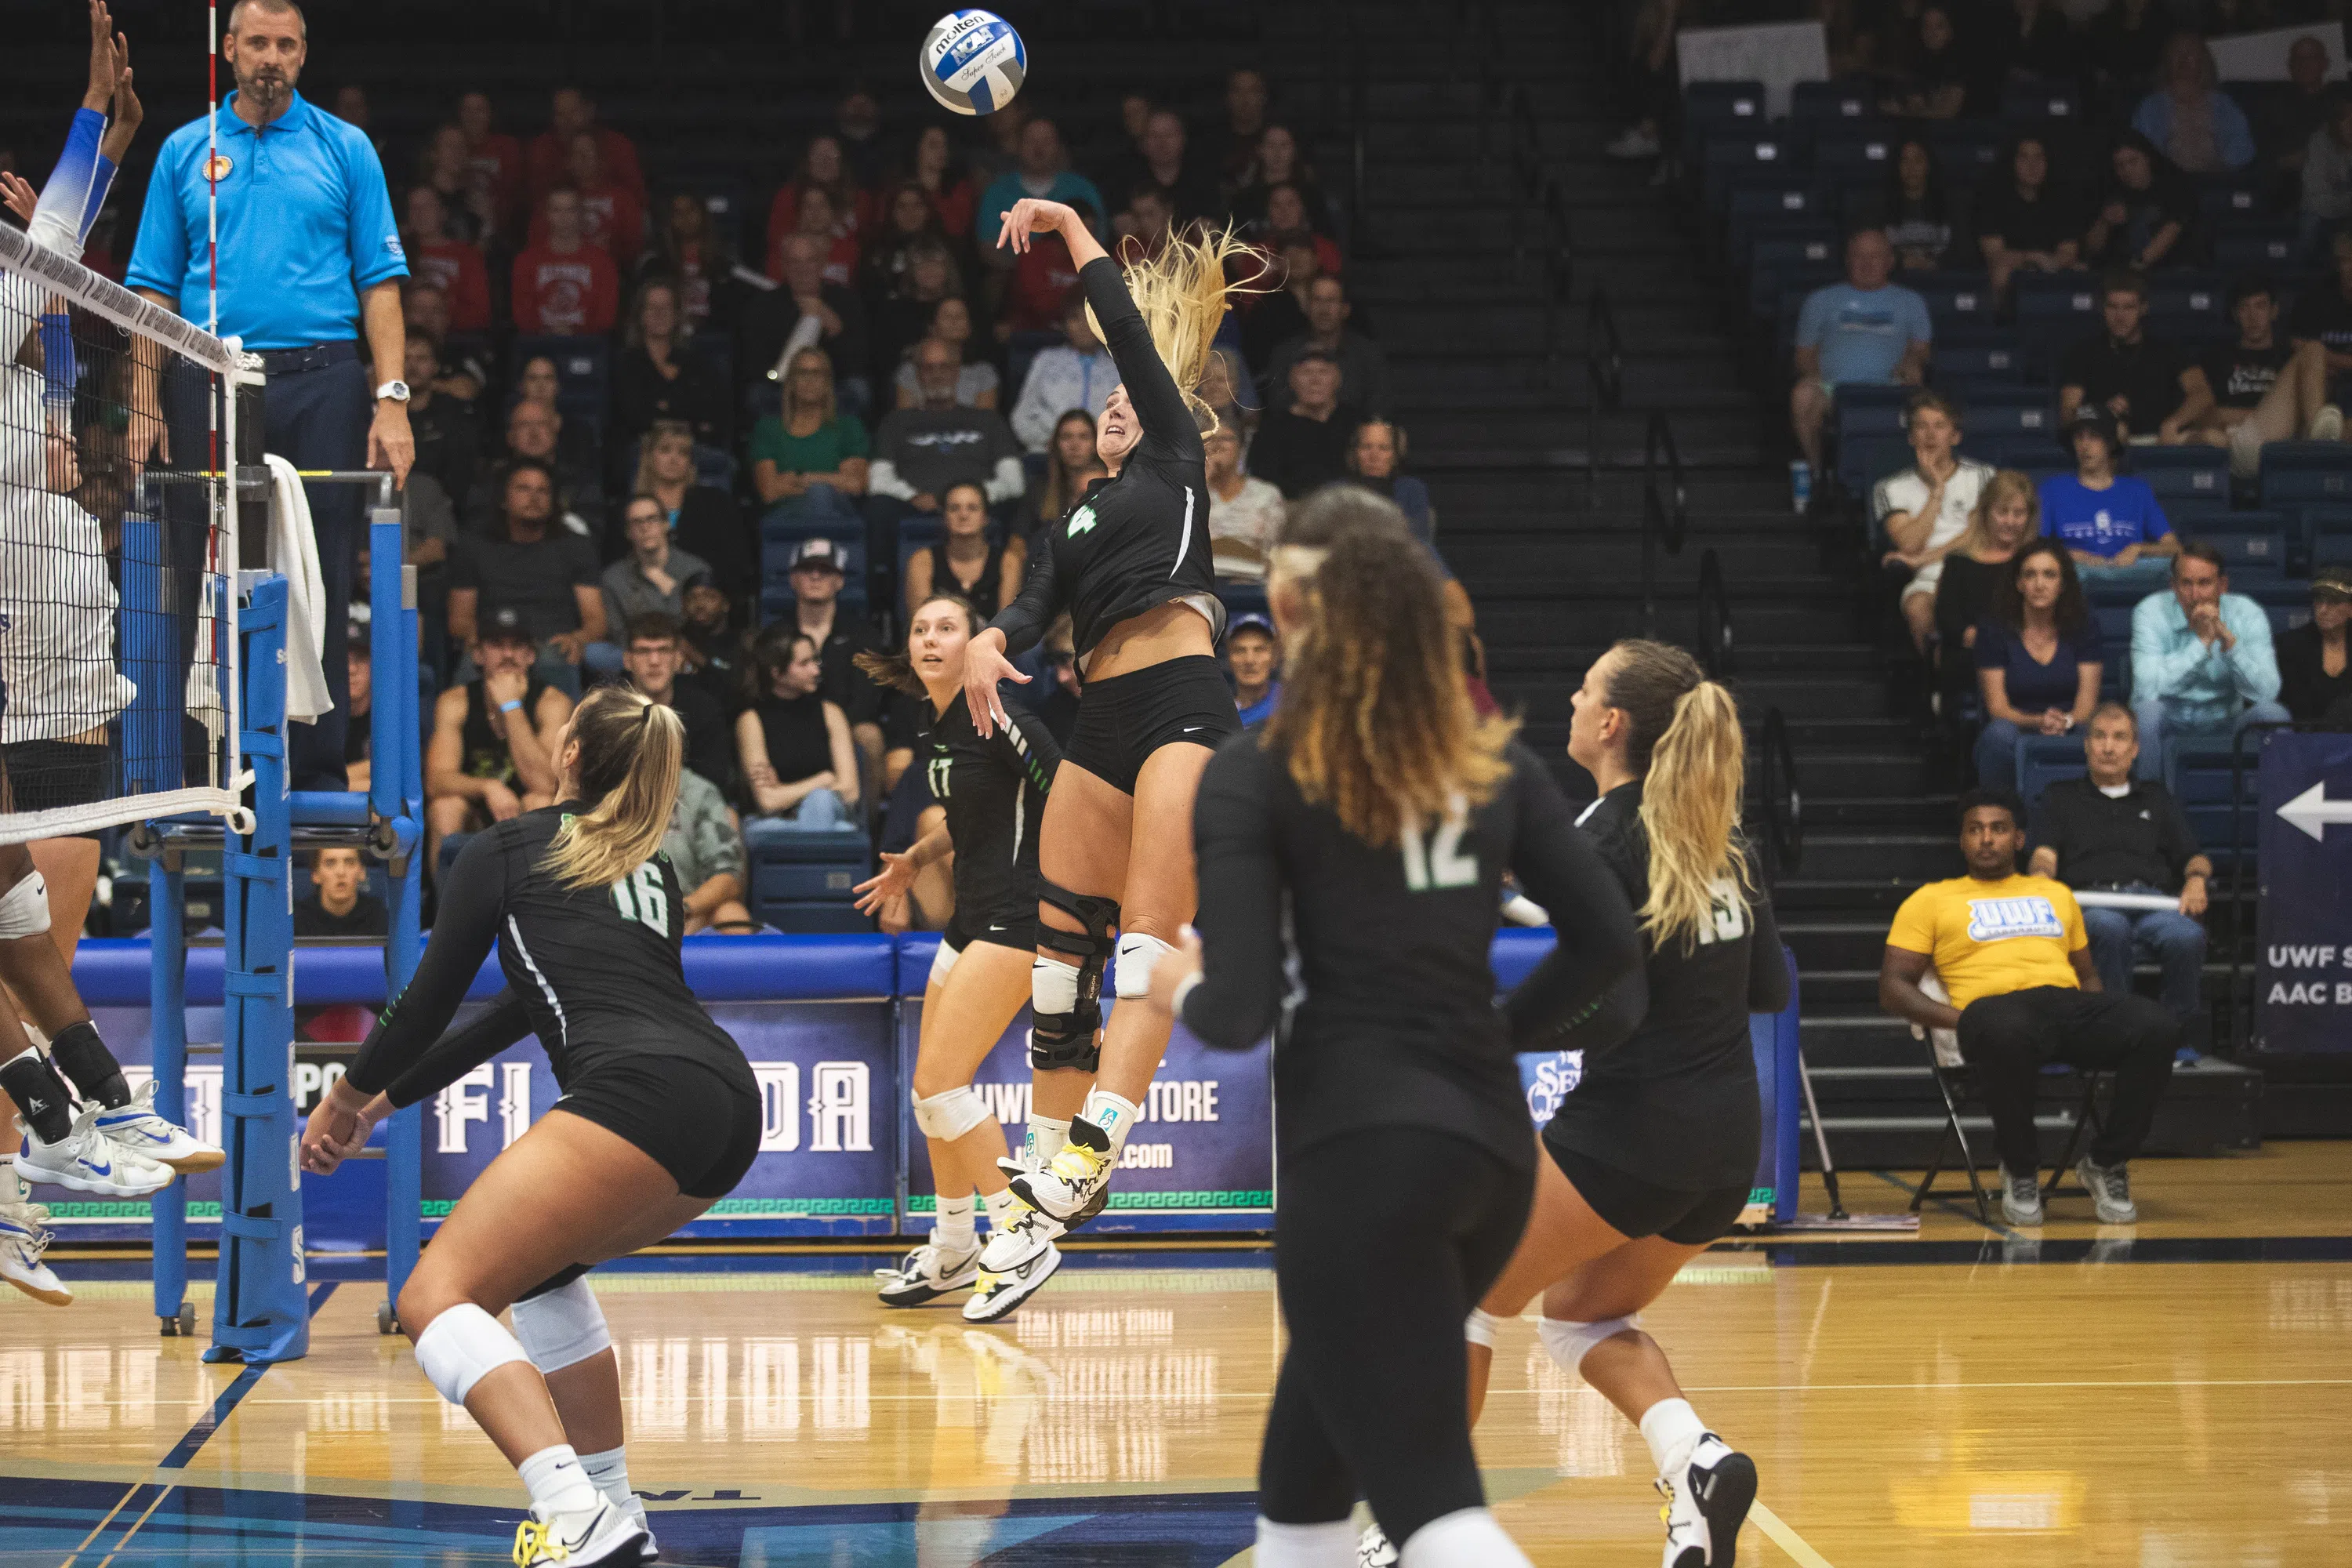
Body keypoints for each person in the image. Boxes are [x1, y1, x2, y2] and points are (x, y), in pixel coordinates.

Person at [1140, 490, 1643, 1568]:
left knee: (1431, 1505)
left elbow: (1231, 1014)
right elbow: (1607, 944)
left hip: (1362, 1153)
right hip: (1493, 1153)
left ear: (1281, 605)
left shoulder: (1259, 769)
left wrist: (1161, 981)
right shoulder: (1489, 756)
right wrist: (1495, 1036)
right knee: (1300, 1494)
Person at [303, 684, 757, 1567]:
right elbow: (512, 1013)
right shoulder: (650, 866)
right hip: (728, 1102)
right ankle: (618, 1508)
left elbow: (427, 1000)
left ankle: (572, 1511)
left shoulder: (504, 847)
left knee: (433, 1296)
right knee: (544, 1276)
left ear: (574, 752)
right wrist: (387, 1105)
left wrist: (342, 1095)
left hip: (637, 1089)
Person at [1359, 636, 1788, 1568]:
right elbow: (1770, 987)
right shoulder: (1725, 837)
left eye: (1584, 686)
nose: (1569, 695)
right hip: (1727, 1146)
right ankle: (1697, 1460)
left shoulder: (1606, 831)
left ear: (1613, 724)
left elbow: (1612, 995)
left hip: (1633, 1128)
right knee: (1580, 1314)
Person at [957, 198, 1254, 1264]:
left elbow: (1119, 320)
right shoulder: (1072, 517)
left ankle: (1096, 1150)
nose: (1123, 402)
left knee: (1147, 943)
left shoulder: (1176, 459)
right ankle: (1039, 1176)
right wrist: (992, 641)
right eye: (1111, 404)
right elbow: (1032, 615)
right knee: (1058, 957)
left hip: (1182, 704)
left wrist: (1070, 226)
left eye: (1136, 394)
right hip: (1101, 718)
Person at [125, 0, 413, 791]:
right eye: (257, 42)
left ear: (303, 54)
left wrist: (392, 397)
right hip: (207, 374)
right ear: (229, 49)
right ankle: (201, 770)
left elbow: (381, 282)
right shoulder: (187, 149)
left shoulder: (344, 147)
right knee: (197, 566)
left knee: (316, 567)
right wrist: (144, 399)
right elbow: (150, 290)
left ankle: (313, 770)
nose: (271, 58)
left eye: (286, 45)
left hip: (323, 378)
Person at [853, 594, 1065, 1319]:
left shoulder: (1000, 711)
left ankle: (1022, 1230)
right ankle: (953, 1247)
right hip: (970, 918)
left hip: (1021, 918)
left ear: (976, 642)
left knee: (945, 1086)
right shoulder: (939, 722)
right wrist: (915, 858)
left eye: (948, 628)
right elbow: (974, 814)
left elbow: (1065, 794)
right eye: (921, 629)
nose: (932, 639)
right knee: (928, 1093)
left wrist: (1085, 900)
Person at [1880, 790, 2180, 1226]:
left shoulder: (2054, 894)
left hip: (2064, 1004)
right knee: (2006, 1030)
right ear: (1962, 841)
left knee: (2158, 1026)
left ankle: (2105, 1161)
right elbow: (1893, 988)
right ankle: (2021, 1169)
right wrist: (1962, 1022)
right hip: (1991, 1011)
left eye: (1998, 829)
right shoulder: (1929, 900)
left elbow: (2087, 973)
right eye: (1975, 830)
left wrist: (2100, 1021)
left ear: (2019, 839)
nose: (1986, 839)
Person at [2030, 704, 2210, 1059]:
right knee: (2108, 928)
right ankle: (2114, 1038)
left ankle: (2173, 1039)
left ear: (2135, 749)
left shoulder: (2157, 797)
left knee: (2187, 935)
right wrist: (2040, 878)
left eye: (2119, 738)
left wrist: (2197, 880)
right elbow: (2044, 855)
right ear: (2086, 745)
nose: (2108, 748)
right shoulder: (2060, 796)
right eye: (2099, 737)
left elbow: (2194, 856)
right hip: (2091, 903)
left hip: (2152, 903)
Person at [425, 604, 575, 872]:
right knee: (445, 807)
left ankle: (534, 909)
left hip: (525, 808)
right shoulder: (454, 702)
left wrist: (511, 707)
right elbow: (436, 781)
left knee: (540, 802)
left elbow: (545, 782)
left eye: (517, 646)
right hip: (476, 811)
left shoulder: (553, 703)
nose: (508, 655)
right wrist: (487, 787)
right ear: (479, 654)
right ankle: (444, 910)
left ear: (530, 655)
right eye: (496, 645)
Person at [864, 339, 1026, 572]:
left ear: (957, 371)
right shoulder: (896, 422)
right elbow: (878, 481)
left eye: (945, 367)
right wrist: (913, 495)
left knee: (1016, 506)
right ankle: (883, 597)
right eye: (928, 368)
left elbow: (1014, 483)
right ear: (917, 375)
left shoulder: (988, 420)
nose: (937, 375)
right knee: (878, 507)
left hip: (977, 505)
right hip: (915, 505)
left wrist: (971, 500)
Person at [2129, 543, 2288, 779]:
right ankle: (2148, 807)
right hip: (2170, 718)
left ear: (2222, 585)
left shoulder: (2246, 613)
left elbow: (2267, 691)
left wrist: (2231, 646)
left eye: (2204, 583)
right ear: (2173, 586)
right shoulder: (2150, 612)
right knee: (2147, 712)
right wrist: (2202, 643)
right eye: (2186, 583)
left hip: (2227, 721)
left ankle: (2279, 804)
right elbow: (2147, 690)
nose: (2195, 595)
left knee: (2273, 714)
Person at [1789, 229, 1933, 486]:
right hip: (1833, 389)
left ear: (1890, 261)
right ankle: (1819, 474)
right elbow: (1804, 355)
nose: (1867, 264)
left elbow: (1921, 350)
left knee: (1920, 387)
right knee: (1802, 395)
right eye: (1859, 257)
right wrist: (1817, 377)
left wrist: (1912, 361)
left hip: (1891, 388)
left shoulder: (1911, 302)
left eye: (1875, 256)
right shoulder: (1820, 300)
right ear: (1847, 261)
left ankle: (1914, 478)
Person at [449, 460, 612, 684]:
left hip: (551, 645)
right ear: (504, 500)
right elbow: (459, 621)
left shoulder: (577, 547)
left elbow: (596, 621)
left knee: (553, 659)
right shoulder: (474, 547)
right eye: (523, 489)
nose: (534, 497)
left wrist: (578, 638)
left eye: (542, 490)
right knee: (476, 660)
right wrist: (482, 638)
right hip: (496, 641)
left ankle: (566, 721)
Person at [1974, 540, 2103, 789]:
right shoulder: (1994, 629)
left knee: (2099, 737)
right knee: (1998, 736)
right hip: (2016, 725)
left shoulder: (2084, 626)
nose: (2039, 584)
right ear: (2019, 583)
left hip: (2070, 724)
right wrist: (2039, 721)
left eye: (2049, 575)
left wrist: (2064, 721)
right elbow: (1998, 709)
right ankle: (2002, 816)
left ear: (2062, 584)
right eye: (2030, 575)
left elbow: (2086, 708)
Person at [2183, 277, 2345, 474]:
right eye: (2244, 308)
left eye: (2260, 307)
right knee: (2313, 351)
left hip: (2289, 439)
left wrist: (2235, 414)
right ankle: (2317, 448)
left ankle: (2316, 444)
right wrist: (2270, 415)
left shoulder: (2290, 358)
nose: (2252, 317)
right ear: (2235, 315)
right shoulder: (2216, 358)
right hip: (2241, 440)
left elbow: (2319, 403)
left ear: (2274, 311)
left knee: (2314, 350)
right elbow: (2207, 415)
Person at [1875, 392, 1995, 654]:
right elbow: (1909, 544)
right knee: (1917, 607)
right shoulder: (1889, 488)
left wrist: (1924, 558)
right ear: (1910, 437)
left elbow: (1979, 533)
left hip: (1977, 571)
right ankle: (1939, 685)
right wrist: (1937, 491)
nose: (1930, 435)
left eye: (1939, 426)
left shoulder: (1983, 476)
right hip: (1927, 579)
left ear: (1955, 436)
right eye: (1921, 426)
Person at [1933, 470, 2042, 715]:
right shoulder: (1958, 562)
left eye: (2019, 513)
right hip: (1972, 657)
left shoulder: (2039, 561)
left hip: (2028, 652)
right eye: (2002, 512)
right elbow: (1947, 619)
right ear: (1986, 514)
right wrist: (1979, 637)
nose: (2010, 522)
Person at [2057, 270, 2209, 443]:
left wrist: (2173, 423)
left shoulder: (2166, 349)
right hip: (2105, 441)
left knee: (2214, 438)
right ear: (2102, 309)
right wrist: (2100, 413)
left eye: (2129, 307)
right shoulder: (2083, 352)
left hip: (2162, 439)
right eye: (2112, 307)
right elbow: (2068, 413)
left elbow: (2202, 393)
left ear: (2143, 308)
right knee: (2118, 431)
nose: (2120, 316)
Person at [779, 539, 887, 776]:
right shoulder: (777, 636)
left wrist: (834, 731)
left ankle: (866, 815)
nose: (816, 576)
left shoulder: (864, 635)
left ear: (840, 581)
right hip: (788, 724)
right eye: (807, 569)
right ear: (793, 579)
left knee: (870, 736)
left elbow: (866, 700)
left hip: (848, 726)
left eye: (826, 570)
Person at [735, 627, 858, 829]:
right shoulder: (751, 720)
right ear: (777, 673)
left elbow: (850, 791)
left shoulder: (830, 713)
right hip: (778, 822)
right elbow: (767, 802)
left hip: (829, 814)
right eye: (804, 663)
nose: (816, 671)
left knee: (822, 803)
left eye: (815, 661)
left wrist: (785, 792)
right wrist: (824, 779)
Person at [2038, 408, 2178, 579]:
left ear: (2110, 443)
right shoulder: (2053, 489)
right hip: (2077, 576)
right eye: (2079, 437)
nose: (2085, 445)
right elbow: (2035, 548)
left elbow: (2174, 547)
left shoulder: (2137, 491)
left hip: (2131, 573)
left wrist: (2139, 549)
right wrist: (2070, 554)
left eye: (2094, 437)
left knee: (2172, 567)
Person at [739, 233, 870, 410]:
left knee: (858, 390)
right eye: (795, 262)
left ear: (822, 264)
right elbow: (755, 363)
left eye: (810, 261)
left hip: (832, 385)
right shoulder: (764, 305)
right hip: (782, 386)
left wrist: (835, 331)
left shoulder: (846, 301)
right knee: (758, 394)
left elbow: (857, 363)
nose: (803, 269)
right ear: (784, 266)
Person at [750, 345, 869, 528]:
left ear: (827, 381)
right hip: (784, 517)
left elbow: (855, 484)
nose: (810, 380)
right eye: (802, 373)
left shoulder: (848, 426)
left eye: (817, 373)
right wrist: (831, 480)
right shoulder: (768, 428)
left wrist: (801, 477)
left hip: (837, 515)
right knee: (820, 494)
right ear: (791, 381)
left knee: (820, 496)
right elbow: (769, 491)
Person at [612, 278, 728, 462]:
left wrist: (664, 409)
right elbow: (635, 418)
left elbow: (712, 414)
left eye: (667, 308)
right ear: (640, 315)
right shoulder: (626, 363)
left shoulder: (697, 363)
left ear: (676, 315)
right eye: (652, 307)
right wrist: (684, 413)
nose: (660, 314)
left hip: (694, 448)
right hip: (644, 450)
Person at [632, 420, 749, 589]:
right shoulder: (631, 508)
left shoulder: (717, 503)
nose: (674, 459)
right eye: (665, 450)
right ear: (649, 458)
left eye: (683, 453)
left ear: (691, 462)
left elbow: (735, 563)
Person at [619, 613, 730, 791]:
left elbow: (713, 781)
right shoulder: (607, 710)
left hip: (688, 808)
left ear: (679, 659)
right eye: (643, 651)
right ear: (627, 660)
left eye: (663, 650)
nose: (654, 661)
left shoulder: (704, 710)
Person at [978, 119, 1105, 266]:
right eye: (1031, 141)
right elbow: (988, 247)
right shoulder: (997, 191)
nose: (1039, 148)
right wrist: (1030, 272)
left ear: (1059, 146)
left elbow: (1100, 241)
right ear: (1018, 145)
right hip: (1015, 279)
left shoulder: (1082, 189)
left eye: (1047, 141)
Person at [1973, 133, 2082, 300]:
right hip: (2011, 274)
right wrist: (2033, 258)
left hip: (2051, 271)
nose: (2033, 166)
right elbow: (1995, 255)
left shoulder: (2062, 201)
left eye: (2039, 158)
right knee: (2001, 270)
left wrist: (2049, 263)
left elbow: (2069, 252)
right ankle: (2001, 323)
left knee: (2080, 271)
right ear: (2012, 163)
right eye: (2024, 159)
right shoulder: (1992, 201)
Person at [1259, 275, 1388, 414]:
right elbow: (1277, 404)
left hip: (1352, 432)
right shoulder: (1284, 353)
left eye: (1331, 301)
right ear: (1306, 307)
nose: (1324, 309)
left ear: (1345, 309)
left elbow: (1378, 406)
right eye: (1317, 300)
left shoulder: (1367, 353)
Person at [2132, 32, 2254, 175]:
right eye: (2177, 53)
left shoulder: (2224, 105)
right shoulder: (2150, 107)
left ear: (2203, 61)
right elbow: (2138, 153)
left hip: (2217, 183)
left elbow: (2242, 151)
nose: (2183, 60)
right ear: (2167, 61)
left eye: (2191, 54)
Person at [1010, 289, 1116, 452]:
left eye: (1091, 317)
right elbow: (1022, 416)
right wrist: (1055, 444)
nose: (1084, 326)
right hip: (1049, 451)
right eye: (1075, 318)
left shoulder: (1118, 367)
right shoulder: (1046, 360)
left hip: (1105, 454)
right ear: (1064, 324)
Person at [903, 481, 1022, 624]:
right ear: (944, 517)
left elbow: (1008, 628)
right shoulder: (922, 560)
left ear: (985, 517)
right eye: (954, 508)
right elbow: (922, 625)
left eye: (972, 508)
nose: (963, 515)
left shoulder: (1008, 561)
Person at [1249, 351, 1363, 500]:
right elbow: (1264, 483)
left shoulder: (1357, 422)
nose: (1315, 380)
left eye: (1323, 372)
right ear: (1292, 380)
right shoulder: (1271, 429)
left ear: (1338, 380)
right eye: (1306, 372)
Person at [510, 188, 620, 336]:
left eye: (571, 210)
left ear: (581, 214)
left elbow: (606, 315)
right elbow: (522, 312)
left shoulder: (601, 262)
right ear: (547, 215)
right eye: (557, 210)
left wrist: (577, 332)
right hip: (538, 343)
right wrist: (547, 331)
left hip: (589, 344)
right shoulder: (526, 261)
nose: (564, 218)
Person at [2083, 133, 2197, 273]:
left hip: (2170, 271)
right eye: (2120, 165)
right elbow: (2093, 249)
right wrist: (2104, 222)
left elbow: (2172, 229)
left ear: (2148, 158)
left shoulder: (2174, 186)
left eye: (2133, 161)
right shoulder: (2111, 192)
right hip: (2120, 276)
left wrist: (2136, 267)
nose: (2127, 170)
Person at [601, 495, 708, 633]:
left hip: (688, 652)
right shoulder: (613, 578)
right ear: (628, 532)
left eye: (652, 519)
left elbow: (705, 629)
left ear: (666, 524)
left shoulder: (696, 569)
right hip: (638, 652)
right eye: (636, 522)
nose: (645, 527)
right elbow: (618, 634)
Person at [662, 766, 750, 935]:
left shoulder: (697, 792)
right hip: (619, 912)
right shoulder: (605, 789)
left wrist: (682, 908)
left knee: (731, 915)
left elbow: (727, 878)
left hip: (685, 913)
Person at [524, 85, 642, 205]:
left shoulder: (619, 145)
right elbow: (537, 201)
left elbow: (637, 197)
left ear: (590, 110)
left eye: (573, 112)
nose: (567, 120)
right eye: (560, 114)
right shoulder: (541, 148)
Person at [401, 183, 492, 333]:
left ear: (443, 213)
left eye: (427, 207)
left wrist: (439, 317)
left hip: (455, 337)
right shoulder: (395, 253)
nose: (420, 214)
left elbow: (480, 312)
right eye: (414, 208)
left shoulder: (467, 255)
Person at [1206, 424, 1286, 582]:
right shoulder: (1191, 493)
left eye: (1226, 438)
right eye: (1210, 439)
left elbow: (1277, 550)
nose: (1218, 444)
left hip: (1253, 583)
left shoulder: (1266, 494)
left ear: (1241, 447)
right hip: (1202, 582)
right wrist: (1202, 479)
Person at [2278, 565, 2352, 727]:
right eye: (2319, 600)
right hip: (2303, 741)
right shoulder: (2290, 645)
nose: (2323, 609)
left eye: (2333, 602)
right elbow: (2294, 705)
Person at [891, 298, 998, 410]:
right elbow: (904, 421)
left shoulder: (983, 373)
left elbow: (986, 423)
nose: (954, 320)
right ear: (932, 327)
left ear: (969, 328)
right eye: (946, 315)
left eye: (960, 315)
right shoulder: (910, 371)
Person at [2291, 230, 2352, 409]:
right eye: (2347, 260)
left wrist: (2329, 359)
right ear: (2338, 264)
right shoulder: (2316, 298)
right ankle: (2317, 435)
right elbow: (2297, 343)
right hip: (2325, 380)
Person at [1877, 137, 1954, 273]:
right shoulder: (1879, 207)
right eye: (1904, 161)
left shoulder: (1951, 206)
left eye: (1918, 160)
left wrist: (1933, 262)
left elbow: (1961, 252)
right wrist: (1901, 262)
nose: (1911, 168)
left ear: (1928, 165)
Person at [2299, 95, 2352, 264]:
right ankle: (2309, 270)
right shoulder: (2319, 142)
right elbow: (2318, 202)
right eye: (2344, 117)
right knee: (2311, 217)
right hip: (2325, 219)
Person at [295, 844, 390, 938]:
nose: (341, 872)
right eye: (330, 863)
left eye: (350, 863)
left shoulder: (379, 918)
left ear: (362, 872)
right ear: (315, 874)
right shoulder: (296, 921)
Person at [1033, 409, 1102, 532]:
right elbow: (1018, 541)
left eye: (1084, 437)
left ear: (1095, 444)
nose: (1075, 445)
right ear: (1056, 444)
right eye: (1066, 437)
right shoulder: (1039, 490)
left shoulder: (1109, 488)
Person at [1224, 612, 1280, 725]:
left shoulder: (1292, 704)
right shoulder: (1218, 712)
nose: (1249, 660)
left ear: (1274, 658)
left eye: (1259, 650)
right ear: (1228, 659)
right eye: (1240, 650)